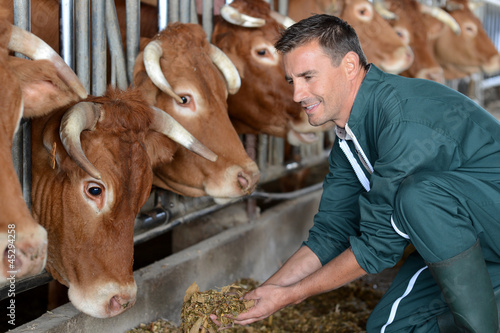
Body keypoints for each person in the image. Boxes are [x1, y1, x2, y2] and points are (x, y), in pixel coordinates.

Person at [217, 14, 500, 332]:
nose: (297, 94)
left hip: (492, 228)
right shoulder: (348, 139)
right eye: (291, 81)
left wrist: (292, 296)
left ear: (350, 65)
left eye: (308, 77)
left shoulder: (400, 120)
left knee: (419, 196)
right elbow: (331, 233)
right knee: (389, 328)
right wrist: (265, 295)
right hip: (468, 249)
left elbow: (379, 247)